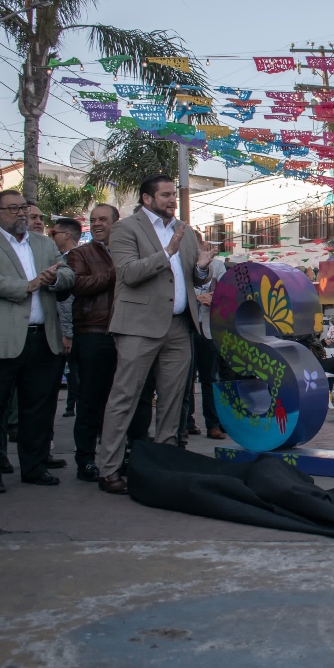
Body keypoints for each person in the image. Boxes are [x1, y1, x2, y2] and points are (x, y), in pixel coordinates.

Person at [94, 175, 212, 494]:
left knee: (174, 401)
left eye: (173, 194)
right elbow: (129, 274)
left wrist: (202, 266)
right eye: (165, 195)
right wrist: (167, 252)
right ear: (147, 199)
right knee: (125, 397)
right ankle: (109, 469)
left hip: (178, 326)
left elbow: (195, 279)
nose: (172, 200)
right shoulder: (126, 228)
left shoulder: (185, 231)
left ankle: (164, 463)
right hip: (138, 326)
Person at [0, 189, 74, 492]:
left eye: (23, 208)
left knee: (38, 409)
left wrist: (54, 279)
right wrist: (26, 286)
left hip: (41, 339)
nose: (21, 214)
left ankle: (34, 468)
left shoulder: (44, 243)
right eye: (13, 209)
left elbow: (67, 276)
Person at [66, 205, 122, 482]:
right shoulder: (80, 253)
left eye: (103, 219)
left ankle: (119, 456)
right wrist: (114, 274)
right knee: (90, 400)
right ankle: (85, 459)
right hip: (93, 332)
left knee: (121, 400)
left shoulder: (128, 250)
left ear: (116, 223)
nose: (97, 224)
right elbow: (77, 285)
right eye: (93, 220)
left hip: (126, 333)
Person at [183, 251, 228, 442]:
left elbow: (227, 293)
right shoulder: (182, 263)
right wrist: (196, 299)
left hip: (210, 328)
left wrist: (215, 299)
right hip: (187, 327)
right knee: (186, 379)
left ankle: (213, 424)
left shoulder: (218, 266)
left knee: (210, 378)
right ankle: (185, 422)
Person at [51, 218, 82, 419]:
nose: (51, 237)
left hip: (71, 332)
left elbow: (68, 302)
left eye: (54, 233)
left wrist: (67, 334)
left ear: (67, 235)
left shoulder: (73, 259)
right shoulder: (61, 257)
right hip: (65, 331)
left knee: (77, 377)